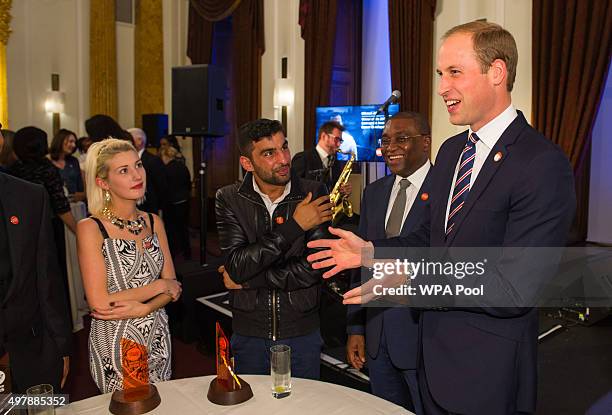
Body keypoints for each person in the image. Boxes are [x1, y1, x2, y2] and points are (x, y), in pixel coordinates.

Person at [308, 21, 576, 415]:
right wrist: (370, 252)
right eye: (439, 74)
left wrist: (413, 276)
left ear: (497, 72)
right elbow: (427, 239)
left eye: (454, 72)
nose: (441, 88)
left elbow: (515, 286)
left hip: (488, 377)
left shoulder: (542, 163)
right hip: (430, 363)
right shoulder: (452, 152)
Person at [215, 119, 332, 379]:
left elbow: (316, 266)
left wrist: (248, 281)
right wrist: (295, 226)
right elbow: (237, 264)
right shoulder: (229, 198)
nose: (283, 159)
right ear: (247, 163)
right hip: (249, 332)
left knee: (302, 407)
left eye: (284, 148)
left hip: (301, 330)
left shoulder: (314, 193)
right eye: (269, 153)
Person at [77, 138, 182, 393]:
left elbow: (175, 288)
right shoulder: (91, 228)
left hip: (158, 333)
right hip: (117, 338)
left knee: (162, 405)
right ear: (103, 182)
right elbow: (99, 303)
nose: (137, 175)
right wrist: (157, 286)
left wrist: (144, 308)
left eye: (138, 165)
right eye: (123, 170)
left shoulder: (153, 221)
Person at [346, 112, 432, 413]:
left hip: (424, 340)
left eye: (401, 139)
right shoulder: (374, 193)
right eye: (385, 141)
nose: (390, 147)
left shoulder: (446, 194)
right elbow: (362, 264)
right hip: (377, 336)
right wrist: (356, 328)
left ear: (426, 143)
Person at [0, 125, 71, 393]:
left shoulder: (30, 195)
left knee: (43, 410)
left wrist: (61, 345)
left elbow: (47, 277)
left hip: (33, 352)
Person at [292, 120, 351, 197]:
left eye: (340, 141)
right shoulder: (302, 158)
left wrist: (344, 191)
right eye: (336, 139)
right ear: (324, 136)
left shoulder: (335, 162)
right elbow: (294, 189)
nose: (339, 144)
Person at [160, 145, 192, 260]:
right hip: (184, 201)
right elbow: (188, 183)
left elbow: (164, 188)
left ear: (166, 156)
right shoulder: (183, 166)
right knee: (183, 228)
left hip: (171, 203)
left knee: (171, 229)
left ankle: (172, 254)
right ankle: (187, 253)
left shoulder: (165, 169)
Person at [128, 128, 168, 214]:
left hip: (148, 209)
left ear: (140, 141)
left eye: (129, 139)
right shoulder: (128, 159)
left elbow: (161, 187)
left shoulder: (153, 160)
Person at [49, 128, 86, 202]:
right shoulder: (47, 161)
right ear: (60, 141)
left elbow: (81, 187)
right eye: (71, 141)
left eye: (74, 142)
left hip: (74, 204)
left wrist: (82, 195)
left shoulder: (73, 161)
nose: (73, 145)